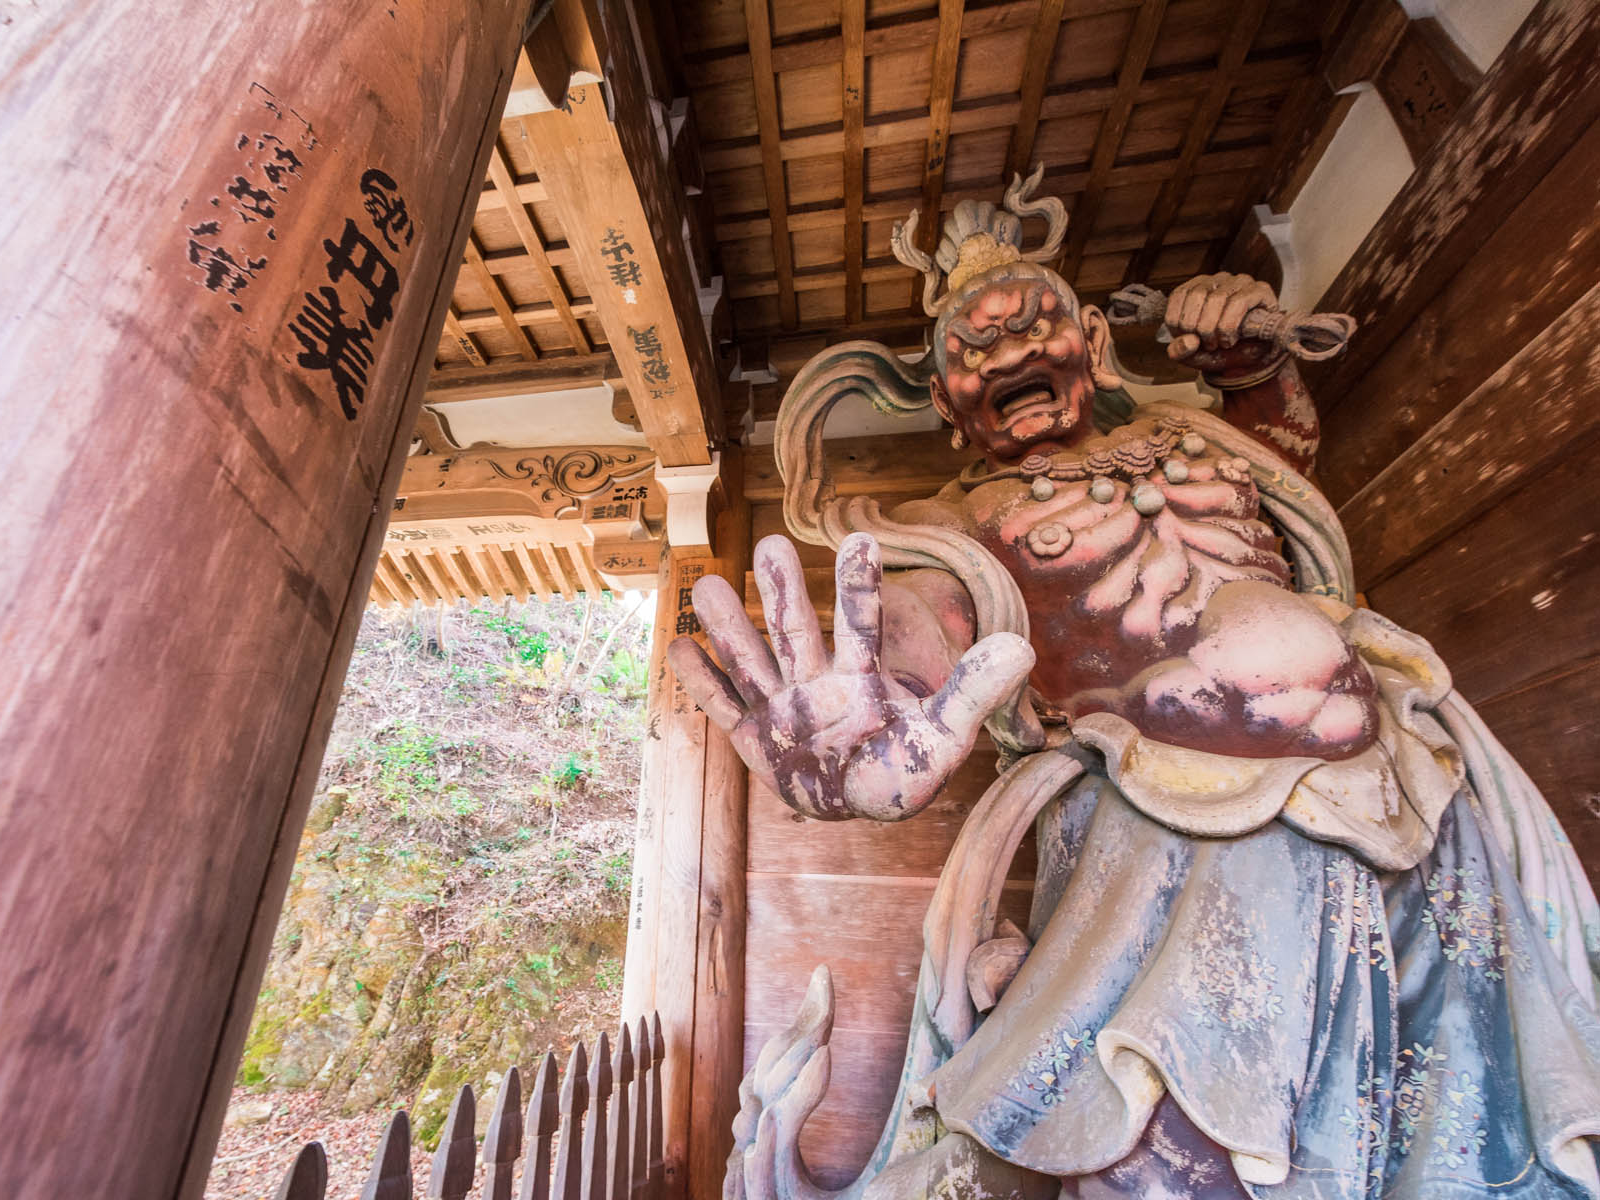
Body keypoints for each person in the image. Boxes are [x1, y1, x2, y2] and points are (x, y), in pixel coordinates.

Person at [672, 171, 1600, 1199]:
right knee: (1172, 1120)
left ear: (1096, 345)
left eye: (1036, 323)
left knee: (1457, 1085)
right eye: (970, 350)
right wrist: (875, 703)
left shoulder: (1195, 440)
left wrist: (1248, 357)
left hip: (1397, 775)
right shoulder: (959, 519)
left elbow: (1284, 454)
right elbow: (933, 614)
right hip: (1168, 817)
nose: (1008, 352)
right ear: (943, 402)